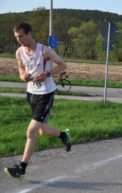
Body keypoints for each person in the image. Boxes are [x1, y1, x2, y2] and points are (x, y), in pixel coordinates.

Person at [4, 23, 72, 179]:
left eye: (21, 36)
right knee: (41, 130)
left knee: (31, 130)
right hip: (31, 93)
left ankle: (21, 167)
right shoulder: (19, 52)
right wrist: (23, 76)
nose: (19, 40)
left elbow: (63, 65)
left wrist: (47, 74)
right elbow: (21, 69)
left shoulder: (44, 50)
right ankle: (63, 135)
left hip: (46, 93)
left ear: (30, 34)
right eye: (16, 37)